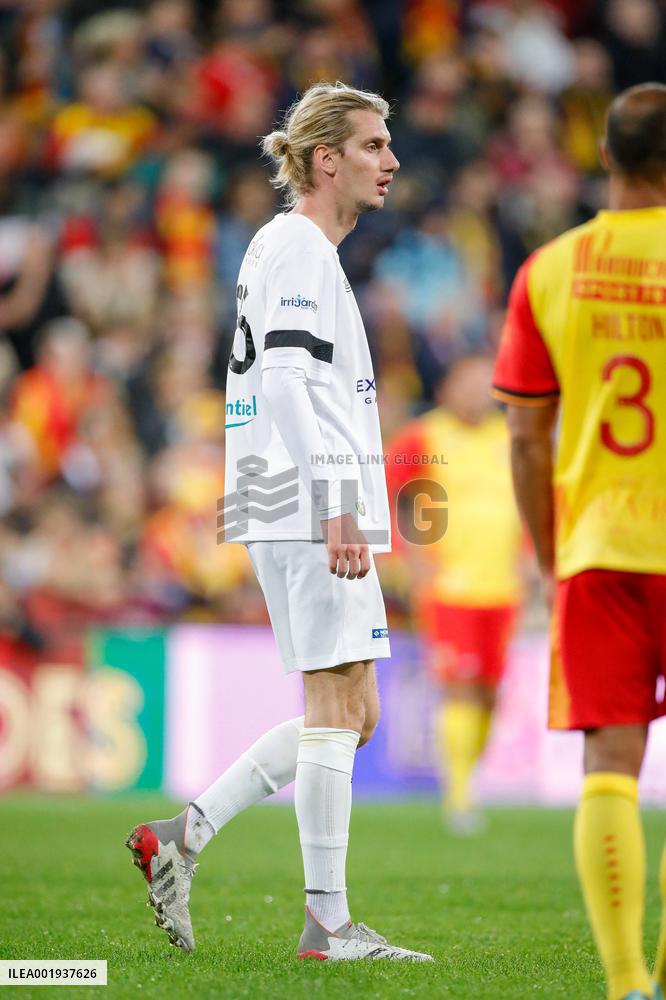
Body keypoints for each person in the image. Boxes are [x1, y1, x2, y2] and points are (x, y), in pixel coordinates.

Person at [126, 81, 432, 963]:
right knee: (338, 702)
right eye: (375, 145)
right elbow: (293, 384)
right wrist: (341, 498)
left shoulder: (288, 249)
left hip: (278, 490)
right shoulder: (299, 245)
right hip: (301, 494)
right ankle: (328, 925)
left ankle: (183, 836)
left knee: (355, 709)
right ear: (325, 157)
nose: (392, 160)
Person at [492, 83, 666, 1000]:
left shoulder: (551, 269)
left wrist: (551, 545)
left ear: (605, 156)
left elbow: (525, 435)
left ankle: (628, 982)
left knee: (609, 765)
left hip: (600, 545)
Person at [386, 354, 524, 833]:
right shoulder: (424, 435)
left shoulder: (509, 439)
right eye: (468, 384)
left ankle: (469, 781)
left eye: (486, 385)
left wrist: (530, 563)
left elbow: (531, 504)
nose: (477, 394)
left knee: (490, 694)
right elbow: (390, 491)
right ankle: (459, 796)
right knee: (460, 686)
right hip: (448, 586)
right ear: (448, 388)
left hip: (503, 587)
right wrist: (413, 558)